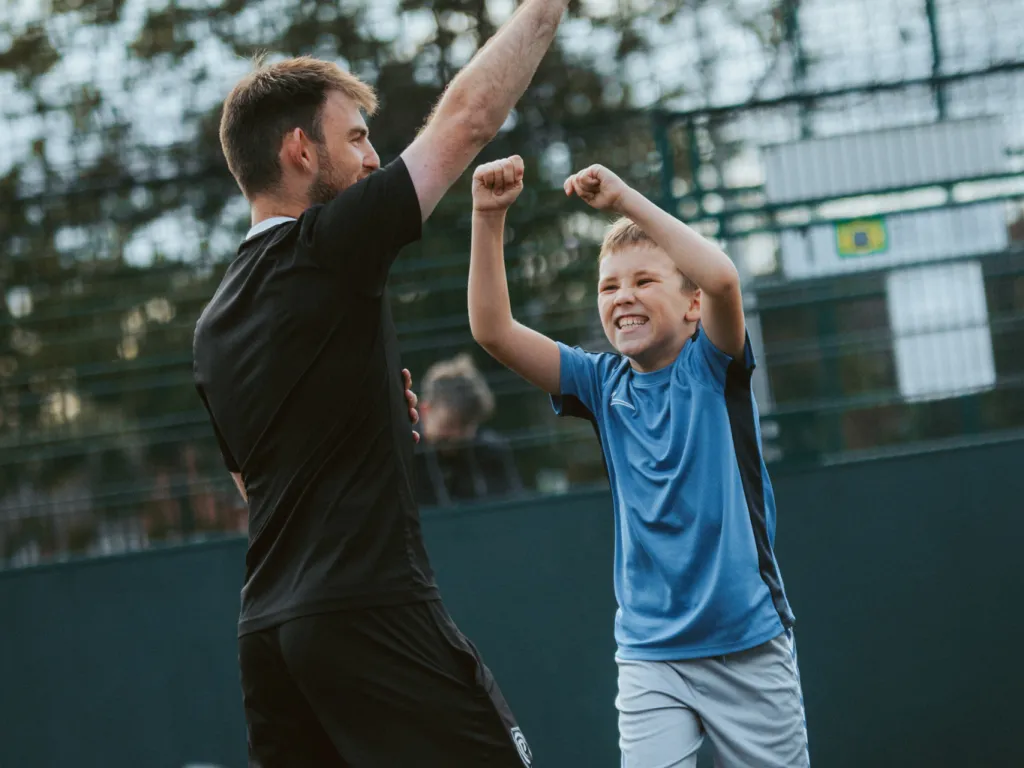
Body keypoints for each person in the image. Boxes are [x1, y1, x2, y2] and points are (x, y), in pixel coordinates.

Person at [191, 3, 571, 764]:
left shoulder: (212, 326)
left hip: (268, 635)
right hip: (367, 610)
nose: (373, 160)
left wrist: (356, 410)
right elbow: (467, 120)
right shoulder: (327, 246)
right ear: (300, 150)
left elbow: (252, 484)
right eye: (358, 137)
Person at [467, 156, 809, 767]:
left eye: (644, 281)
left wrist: (625, 199)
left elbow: (725, 279)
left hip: (749, 646)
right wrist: (487, 217)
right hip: (651, 655)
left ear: (691, 306)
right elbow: (492, 328)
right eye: (608, 286)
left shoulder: (714, 367)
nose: (623, 297)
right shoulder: (600, 384)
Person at [415, 353, 523, 506]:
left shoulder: (491, 452)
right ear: (425, 410)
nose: (457, 437)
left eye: (466, 426)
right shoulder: (403, 455)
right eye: (450, 424)